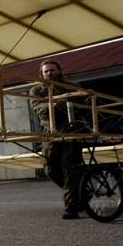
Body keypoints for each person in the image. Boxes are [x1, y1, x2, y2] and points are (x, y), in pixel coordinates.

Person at [30, 59, 84, 219]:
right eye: (46, 71)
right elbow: (36, 107)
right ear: (41, 74)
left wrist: (67, 101)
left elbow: (82, 105)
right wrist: (53, 104)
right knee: (50, 169)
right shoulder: (37, 90)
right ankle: (81, 192)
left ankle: (72, 207)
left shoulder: (72, 86)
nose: (49, 73)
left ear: (59, 71)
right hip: (50, 134)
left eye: (52, 70)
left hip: (71, 132)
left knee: (70, 169)